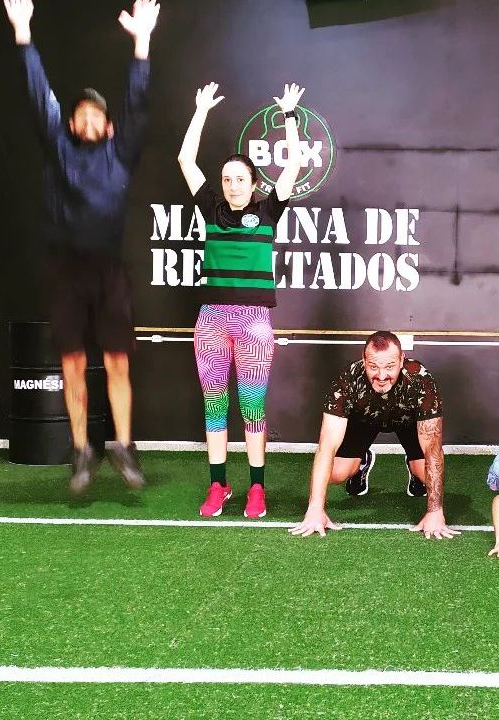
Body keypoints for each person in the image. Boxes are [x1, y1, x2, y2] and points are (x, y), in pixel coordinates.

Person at [4, 0, 159, 494]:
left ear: (109, 127)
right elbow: (38, 95)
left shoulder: (121, 152)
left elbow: (137, 102)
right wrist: (24, 33)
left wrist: (142, 43)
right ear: (71, 125)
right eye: (81, 114)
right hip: (66, 274)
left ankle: (125, 447)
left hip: (109, 274)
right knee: (71, 363)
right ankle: (80, 451)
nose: (88, 119)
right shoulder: (60, 149)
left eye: (97, 114)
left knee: (117, 361)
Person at [177, 81, 304, 519]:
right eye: (227, 180)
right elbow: (185, 160)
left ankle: (256, 489)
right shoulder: (211, 209)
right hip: (211, 320)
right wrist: (200, 111)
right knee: (214, 406)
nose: (232, 186)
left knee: (252, 407)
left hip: (253, 323)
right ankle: (218, 485)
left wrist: (289, 116)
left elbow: (294, 165)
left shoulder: (269, 210)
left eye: (240, 180)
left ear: (254, 184)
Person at [290, 331, 459, 539]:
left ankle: (414, 470)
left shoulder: (420, 379)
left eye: (389, 367)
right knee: (337, 473)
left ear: (401, 360)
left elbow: (433, 448)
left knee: (426, 473)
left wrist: (435, 512)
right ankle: (361, 463)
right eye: (373, 367)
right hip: (363, 421)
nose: (381, 376)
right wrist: (315, 508)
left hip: (408, 422)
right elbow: (327, 445)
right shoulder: (349, 379)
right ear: (364, 361)